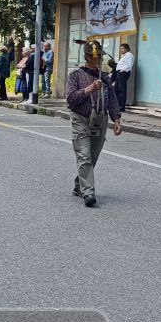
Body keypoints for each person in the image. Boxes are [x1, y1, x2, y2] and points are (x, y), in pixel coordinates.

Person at [65, 40, 123, 208]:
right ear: (87, 57)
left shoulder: (104, 77)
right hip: (80, 118)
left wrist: (117, 120)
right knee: (84, 154)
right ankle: (88, 192)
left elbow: (112, 99)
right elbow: (70, 99)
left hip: (100, 120)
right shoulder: (75, 75)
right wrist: (88, 89)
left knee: (92, 155)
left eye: (99, 57)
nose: (97, 60)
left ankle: (80, 183)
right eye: (94, 56)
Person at [114, 42, 133, 111]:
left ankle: (122, 107)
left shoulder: (129, 55)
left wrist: (122, 70)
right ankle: (117, 105)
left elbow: (129, 65)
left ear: (127, 49)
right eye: (120, 48)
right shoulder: (124, 56)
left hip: (123, 73)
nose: (121, 50)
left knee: (122, 90)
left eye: (122, 48)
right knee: (116, 89)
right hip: (119, 73)